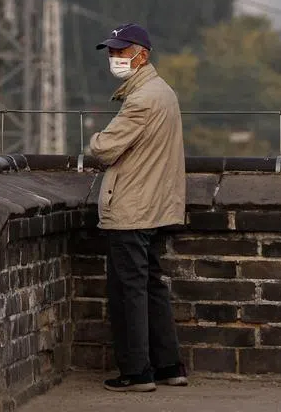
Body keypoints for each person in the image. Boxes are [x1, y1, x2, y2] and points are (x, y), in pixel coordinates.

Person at [87, 22, 187, 392]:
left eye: (120, 51)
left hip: (132, 208)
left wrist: (95, 137)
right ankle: (168, 366)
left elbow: (103, 149)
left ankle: (136, 372)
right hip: (156, 205)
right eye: (111, 52)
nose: (114, 58)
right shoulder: (164, 93)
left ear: (141, 55)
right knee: (152, 287)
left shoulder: (142, 99)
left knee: (128, 291)